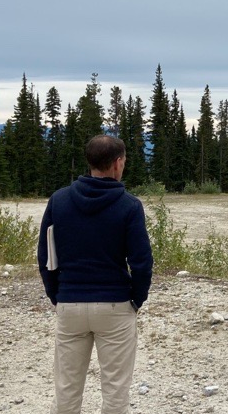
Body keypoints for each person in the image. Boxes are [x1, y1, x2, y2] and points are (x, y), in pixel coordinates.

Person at [37, 134, 153, 414]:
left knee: (66, 388)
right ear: (117, 163)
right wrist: (136, 299)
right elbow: (141, 261)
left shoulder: (59, 200)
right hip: (114, 304)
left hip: (70, 302)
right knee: (115, 391)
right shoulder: (129, 205)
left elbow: (45, 256)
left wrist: (57, 295)